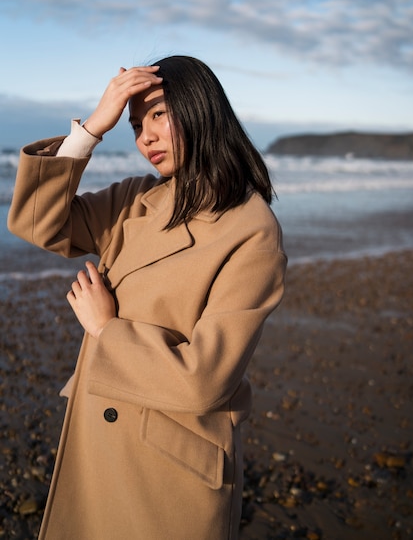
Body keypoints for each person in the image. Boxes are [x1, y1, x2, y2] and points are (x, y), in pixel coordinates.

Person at [8, 56, 287, 540]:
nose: (145, 138)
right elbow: (37, 223)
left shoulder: (252, 231)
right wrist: (93, 128)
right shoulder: (136, 200)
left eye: (158, 115)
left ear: (201, 107)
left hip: (166, 471)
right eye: (136, 126)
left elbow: (204, 381)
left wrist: (106, 330)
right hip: (100, 448)